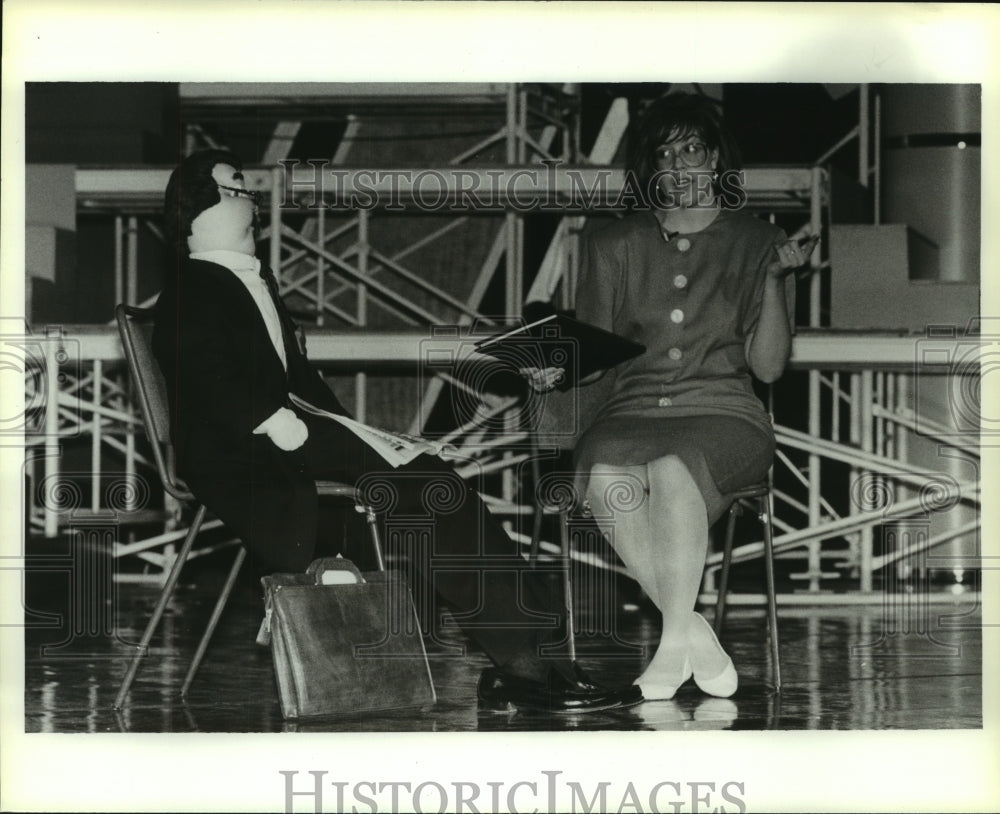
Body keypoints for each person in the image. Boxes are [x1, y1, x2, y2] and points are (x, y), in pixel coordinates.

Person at [151, 148, 642, 714]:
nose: (252, 206)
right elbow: (200, 371)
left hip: (289, 439)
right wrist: (273, 420)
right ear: (198, 207)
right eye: (239, 191)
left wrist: (373, 442)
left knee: (438, 486)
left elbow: (301, 385)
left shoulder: (252, 281)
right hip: (248, 454)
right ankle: (525, 665)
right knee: (433, 492)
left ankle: (534, 658)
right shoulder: (193, 286)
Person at [531, 93, 808, 701]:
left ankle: (670, 644)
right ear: (651, 169)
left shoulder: (758, 241)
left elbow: (767, 368)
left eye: (693, 149)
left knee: (672, 470)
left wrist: (774, 281)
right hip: (628, 411)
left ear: (715, 159)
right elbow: (596, 355)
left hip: (723, 413)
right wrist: (556, 372)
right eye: (666, 154)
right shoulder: (610, 245)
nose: (681, 165)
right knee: (606, 473)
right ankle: (690, 635)